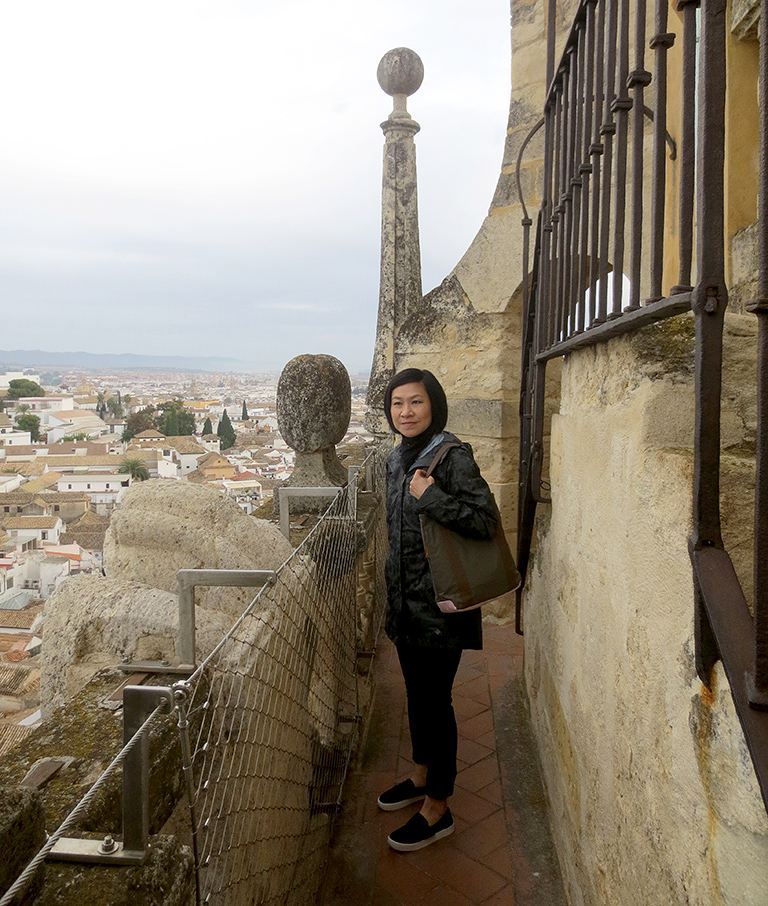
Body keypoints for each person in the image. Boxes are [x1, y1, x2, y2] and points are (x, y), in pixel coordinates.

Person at [378, 367, 499, 852]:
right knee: (416, 696)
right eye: (397, 404)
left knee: (437, 703)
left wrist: (433, 498)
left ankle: (439, 807)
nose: (405, 412)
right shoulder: (396, 457)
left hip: (442, 607)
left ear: (434, 406)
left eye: (416, 403)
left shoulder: (452, 457)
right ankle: (422, 774)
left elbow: (484, 521)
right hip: (406, 606)